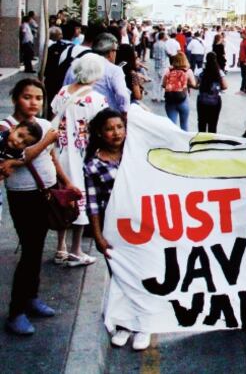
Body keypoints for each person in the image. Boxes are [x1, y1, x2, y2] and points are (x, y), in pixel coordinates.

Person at [0, 78, 76, 335]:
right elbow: (16, 156)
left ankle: (31, 298)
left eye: (38, 98)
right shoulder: (6, 128)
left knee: (37, 248)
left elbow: (52, 157)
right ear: (15, 99)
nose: (33, 103)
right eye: (27, 97)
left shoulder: (44, 124)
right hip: (23, 196)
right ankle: (16, 312)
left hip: (47, 192)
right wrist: (45, 140)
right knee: (30, 250)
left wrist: (67, 183)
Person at [80, 108, 150, 350]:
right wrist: (98, 235)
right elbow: (92, 205)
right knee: (120, 276)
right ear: (100, 133)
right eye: (109, 129)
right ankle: (124, 324)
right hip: (114, 230)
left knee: (144, 274)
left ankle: (144, 325)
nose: (116, 133)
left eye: (120, 127)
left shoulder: (136, 153)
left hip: (144, 225)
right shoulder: (92, 165)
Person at [34, 55, 111, 269]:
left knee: (63, 199)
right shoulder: (97, 99)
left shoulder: (62, 91)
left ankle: (61, 248)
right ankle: (76, 250)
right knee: (80, 200)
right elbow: (101, 128)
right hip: (82, 155)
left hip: (59, 152)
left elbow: (52, 116)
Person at [42, 27, 72, 117]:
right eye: (59, 34)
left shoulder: (64, 47)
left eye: (61, 34)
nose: (61, 36)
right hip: (52, 79)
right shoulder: (51, 47)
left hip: (55, 79)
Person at [163, 53, 197, 131]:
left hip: (170, 100)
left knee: (172, 126)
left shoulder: (168, 70)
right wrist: (184, 83)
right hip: (183, 99)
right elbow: (194, 84)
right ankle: (184, 142)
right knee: (184, 124)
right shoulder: (188, 71)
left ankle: (173, 142)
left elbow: (163, 84)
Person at [196, 53, 227, 133]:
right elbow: (225, 86)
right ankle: (211, 142)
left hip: (202, 101)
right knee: (213, 124)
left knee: (202, 123)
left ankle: (201, 142)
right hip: (215, 101)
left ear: (206, 59)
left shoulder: (200, 72)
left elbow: (196, 85)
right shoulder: (219, 72)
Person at [149, 32, 168, 102]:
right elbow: (168, 53)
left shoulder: (155, 44)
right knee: (163, 81)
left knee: (156, 81)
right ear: (163, 37)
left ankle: (154, 96)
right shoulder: (164, 45)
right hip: (163, 64)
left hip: (156, 64)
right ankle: (162, 96)